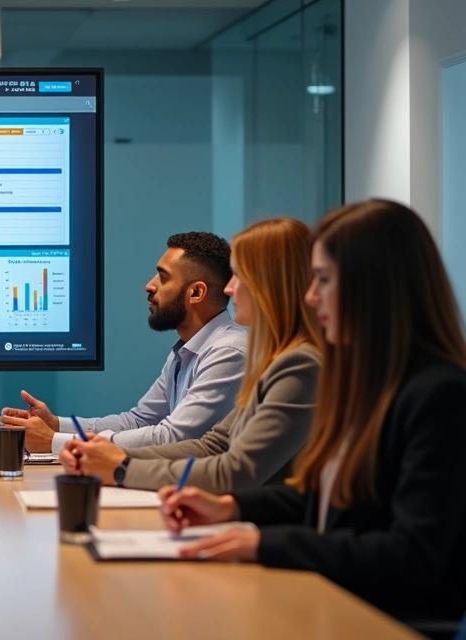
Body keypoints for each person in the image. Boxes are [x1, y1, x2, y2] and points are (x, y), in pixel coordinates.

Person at [161, 200, 466, 623]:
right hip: (339, 602)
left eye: (323, 279)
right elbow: (329, 500)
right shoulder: (370, 381)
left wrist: (264, 545)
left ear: (372, 287)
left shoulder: (439, 394)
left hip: (390, 622)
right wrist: (235, 510)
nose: (310, 295)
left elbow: (410, 554)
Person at [59, 218, 322, 492]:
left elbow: (237, 470)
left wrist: (121, 467)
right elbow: (213, 446)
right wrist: (107, 454)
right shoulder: (274, 360)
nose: (229, 289)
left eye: (240, 275)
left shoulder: (295, 363)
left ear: (272, 285)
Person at [0, 232, 247, 451]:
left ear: (196, 293)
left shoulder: (228, 352)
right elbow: (139, 420)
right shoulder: (185, 350)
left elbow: (175, 437)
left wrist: (55, 441)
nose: (149, 285)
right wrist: (56, 424)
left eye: (163, 277)